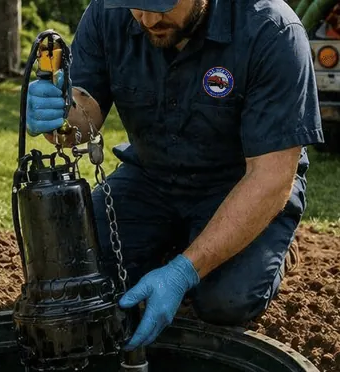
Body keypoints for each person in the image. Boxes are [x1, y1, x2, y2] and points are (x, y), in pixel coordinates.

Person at [26, 0, 323, 350]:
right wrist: (60, 115)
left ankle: (270, 248)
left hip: (241, 185)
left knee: (226, 301)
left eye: (162, 4)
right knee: (76, 273)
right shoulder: (107, 14)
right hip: (150, 178)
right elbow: (85, 112)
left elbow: (271, 177)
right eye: (136, 5)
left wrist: (183, 272)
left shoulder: (271, 31)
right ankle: (175, 242)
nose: (149, 19)